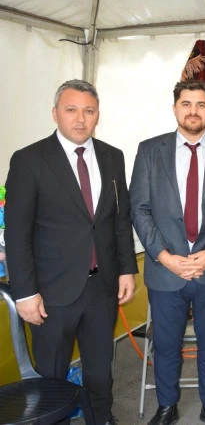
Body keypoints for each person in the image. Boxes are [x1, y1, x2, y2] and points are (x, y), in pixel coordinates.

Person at [5, 79, 138, 425]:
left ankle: (100, 418)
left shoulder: (112, 156)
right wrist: (25, 293)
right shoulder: (29, 160)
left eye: (89, 111)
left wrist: (127, 269)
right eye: (71, 110)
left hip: (102, 287)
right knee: (52, 374)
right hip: (50, 292)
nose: (80, 118)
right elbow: (17, 233)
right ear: (55, 114)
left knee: (100, 370)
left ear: (98, 115)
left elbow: (119, 219)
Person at [130, 80, 205, 425]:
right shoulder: (150, 151)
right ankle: (166, 406)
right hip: (166, 268)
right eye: (186, 104)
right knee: (166, 345)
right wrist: (164, 256)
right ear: (175, 109)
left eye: (201, 104)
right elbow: (139, 209)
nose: (193, 111)